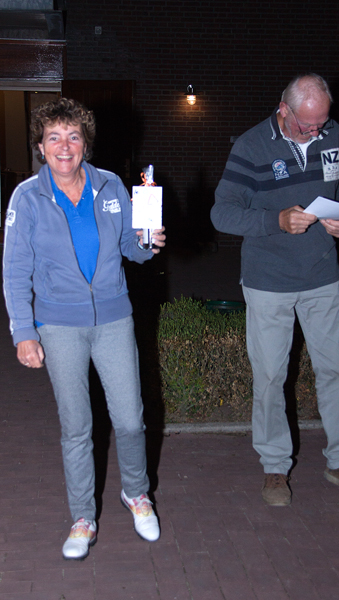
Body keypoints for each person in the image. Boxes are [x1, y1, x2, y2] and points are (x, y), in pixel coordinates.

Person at [2, 98, 166, 559]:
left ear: (85, 144)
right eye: (53, 137)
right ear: (40, 146)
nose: (64, 145)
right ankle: (82, 517)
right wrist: (23, 332)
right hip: (58, 325)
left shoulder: (110, 186)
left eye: (73, 136)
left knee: (130, 419)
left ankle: (136, 492)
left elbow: (131, 248)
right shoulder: (27, 198)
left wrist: (147, 242)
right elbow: (14, 270)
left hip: (113, 318)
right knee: (77, 426)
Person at [210, 74, 339, 506]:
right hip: (269, 281)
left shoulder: (333, 135)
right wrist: (275, 221)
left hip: (322, 274)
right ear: (284, 110)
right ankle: (274, 467)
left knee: (336, 372)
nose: (317, 132)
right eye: (307, 125)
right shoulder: (251, 146)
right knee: (270, 378)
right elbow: (222, 213)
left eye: (322, 123)